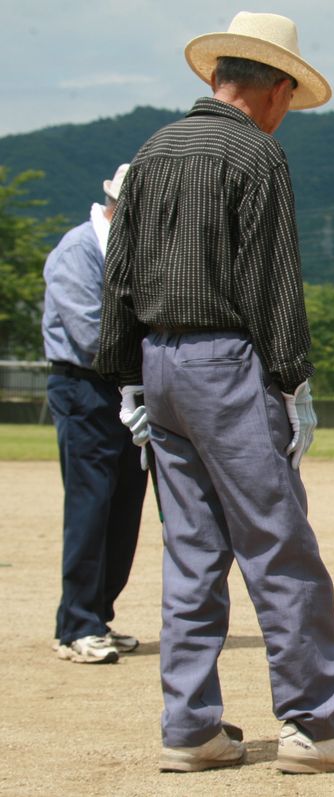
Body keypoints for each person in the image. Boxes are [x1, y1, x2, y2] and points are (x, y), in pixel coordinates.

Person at [95, 11, 334, 774]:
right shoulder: (256, 156)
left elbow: (118, 275)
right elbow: (272, 286)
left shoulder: (151, 151)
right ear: (277, 89)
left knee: (192, 551)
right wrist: (293, 380)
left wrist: (127, 374)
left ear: (219, 75)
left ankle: (190, 728)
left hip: (158, 366)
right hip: (228, 366)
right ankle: (317, 726)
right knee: (278, 544)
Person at [42, 163, 147, 665]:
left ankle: (98, 615)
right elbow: (90, 335)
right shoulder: (78, 250)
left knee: (125, 504)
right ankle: (75, 625)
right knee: (90, 504)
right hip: (85, 389)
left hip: (127, 388)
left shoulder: (133, 253)